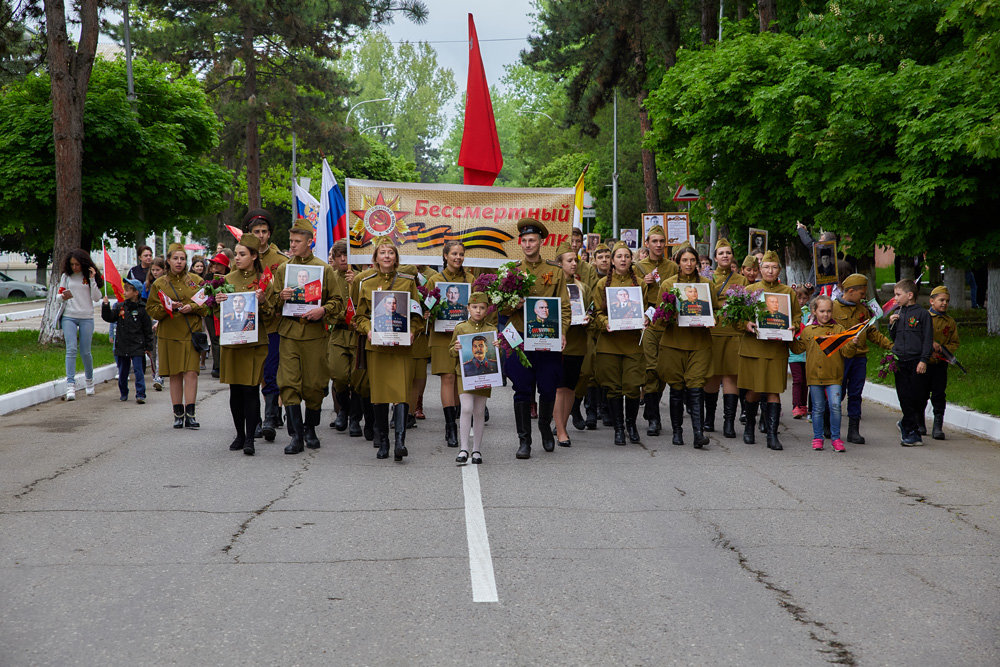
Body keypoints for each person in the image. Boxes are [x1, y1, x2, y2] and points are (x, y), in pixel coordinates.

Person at [264, 219, 345, 454]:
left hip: (314, 334)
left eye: (297, 241)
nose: (293, 245)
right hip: (288, 333)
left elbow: (337, 302)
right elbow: (271, 304)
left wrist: (323, 310)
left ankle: (310, 427)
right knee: (288, 384)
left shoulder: (324, 269)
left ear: (310, 242)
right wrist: (281, 296)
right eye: (291, 241)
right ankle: (296, 436)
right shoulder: (283, 270)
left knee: (314, 385)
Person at [501, 218, 571, 459]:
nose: (528, 244)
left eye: (532, 240)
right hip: (519, 338)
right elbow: (499, 307)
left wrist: (563, 332)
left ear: (542, 242)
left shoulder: (555, 271)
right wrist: (513, 304)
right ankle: (524, 441)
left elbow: (564, 306)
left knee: (548, 387)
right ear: (520, 243)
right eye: (524, 240)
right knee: (521, 388)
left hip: (547, 338)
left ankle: (544, 427)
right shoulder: (511, 271)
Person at [353, 236, 422, 461]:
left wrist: (413, 331)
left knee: (401, 393)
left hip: (401, 348)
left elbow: (417, 314)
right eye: (382, 253)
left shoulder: (407, 281)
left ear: (396, 257)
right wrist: (368, 330)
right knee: (380, 395)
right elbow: (359, 316)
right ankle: (383, 441)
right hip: (377, 347)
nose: (387, 257)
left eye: (390, 253)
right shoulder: (367, 282)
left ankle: (400, 442)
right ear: (376, 257)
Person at [737, 250, 801, 450]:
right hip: (754, 347)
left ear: (779, 270)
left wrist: (795, 326)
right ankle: (749, 427)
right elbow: (736, 317)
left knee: (774, 390)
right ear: (759, 270)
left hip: (776, 349)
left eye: (774, 267)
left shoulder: (788, 292)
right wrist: (745, 323)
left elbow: (797, 317)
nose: (770, 271)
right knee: (754, 390)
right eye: (766, 267)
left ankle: (772, 435)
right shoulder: (750, 290)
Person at [215, 234, 272, 456]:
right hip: (232, 343)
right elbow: (215, 311)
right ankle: (239, 434)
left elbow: (272, 313)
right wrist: (217, 301)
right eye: (236, 254)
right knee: (235, 390)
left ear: (254, 256)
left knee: (250, 389)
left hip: (254, 343)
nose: (237, 258)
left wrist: (264, 301)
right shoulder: (227, 280)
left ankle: (250, 438)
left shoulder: (265, 279)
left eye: (242, 254)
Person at [658, 245, 720, 448]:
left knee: (696, 387)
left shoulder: (706, 285)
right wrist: (668, 315)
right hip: (674, 343)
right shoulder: (668, 284)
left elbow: (717, 310)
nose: (689, 264)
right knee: (676, 388)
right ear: (678, 262)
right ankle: (677, 431)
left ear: (698, 263)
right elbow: (659, 316)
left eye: (692, 260)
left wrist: (714, 318)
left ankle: (698, 433)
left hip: (699, 343)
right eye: (684, 260)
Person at [146, 243, 208, 428]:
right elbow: (152, 310)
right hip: (170, 333)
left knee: (191, 373)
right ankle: (177, 414)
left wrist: (193, 307)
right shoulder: (160, 283)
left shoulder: (197, 281)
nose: (179, 262)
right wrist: (168, 307)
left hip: (191, 333)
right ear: (169, 261)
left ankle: (191, 414)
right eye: (175, 258)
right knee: (175, 374)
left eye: (182, 259)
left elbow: (208, 305)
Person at [594, 241, 645, 446]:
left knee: (632, 386)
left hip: (632, 343)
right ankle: (619, 428)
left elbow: (650, 308)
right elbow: (596, 312)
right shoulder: (601, 285)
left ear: (631, 259)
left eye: (626, 256)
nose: (623, 259)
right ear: (612, 261)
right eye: (619, 256)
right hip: (609, 343)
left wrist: (647, 318)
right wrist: (606, 322)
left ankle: (631, 425)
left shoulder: (640, 284)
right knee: (613, 388)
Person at [244, 209, 289, 442]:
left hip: (273, 324)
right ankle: (258, 418)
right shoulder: (243, 259)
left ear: (269, 234)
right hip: (248, 325)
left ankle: (270, 416)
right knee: (256, 372)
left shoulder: (281, 261)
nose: (260, 236)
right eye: (256, 232)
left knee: (271, 370)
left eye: (264, 232)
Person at [833, 274, 893, 444]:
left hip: (859, 358)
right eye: (861, 293)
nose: (863, 297)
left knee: (855, 393)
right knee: (838, 392)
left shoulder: (863, 309)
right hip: (841, 357)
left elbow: (871, 331)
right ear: (850, 291)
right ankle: (829, 424)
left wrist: (889, 345)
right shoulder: (833, 307)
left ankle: (853, 430)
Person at [426, 241, 476, 446]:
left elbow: (480, 306)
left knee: (460, 378)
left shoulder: (471, 279)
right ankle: (450, 426)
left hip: (464, 335)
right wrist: (428, 312)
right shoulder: (434, 280)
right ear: (445, 255)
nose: (458, 257)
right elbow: (426, 307)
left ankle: (460, 417)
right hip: (441, 336)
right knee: (447, 377)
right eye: (454, 253)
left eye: (461, 254)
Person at [797, 295, 862, 452]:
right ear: (814, 311)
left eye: (829, 311)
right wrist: (789, 338)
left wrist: (852, 344)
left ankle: (836, 438)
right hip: (814, 376)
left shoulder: (838, 329)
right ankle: (818, 437)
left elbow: (847, 353)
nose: (825, 314)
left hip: (834, 376)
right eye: (822, 311)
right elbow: (798, 349)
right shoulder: (808, 331)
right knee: (818, 408)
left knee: (835, 406)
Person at [633, 225, 679, 437]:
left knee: (663, 370)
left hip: (667, 323)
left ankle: (651, 407)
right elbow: (629, 294)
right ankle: (653, 416)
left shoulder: (673, 267)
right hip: (648, 322)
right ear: (647, 243)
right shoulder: (638, 267)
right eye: (655, 241)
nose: (659, 245)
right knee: (651, 368)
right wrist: (644, 282)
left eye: (662, 241)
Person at [703, 239, 749, 438]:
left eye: (728, 253)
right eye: (721, 253)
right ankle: (709, 419)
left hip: (733, 332)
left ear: (732, 257)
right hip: (712, 332)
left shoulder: (742, 280)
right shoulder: (706, 279)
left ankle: (729, 422)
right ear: (715, 257)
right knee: (712, 375)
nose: (724, 256)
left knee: (731, 375)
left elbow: (746, 306)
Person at [450, 292, 498, 464]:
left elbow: (497, 355)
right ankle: (464, 448)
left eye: (482, 308)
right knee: (466, 408)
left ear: (487, 310)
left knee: (479, 411)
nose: (478, 311)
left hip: (485, 375)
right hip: (464, 374)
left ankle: (476, 450)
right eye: (475, 307)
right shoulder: (461, 328)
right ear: (468, 308)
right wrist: (455, 348)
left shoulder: (491, 329)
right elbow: (450, 351)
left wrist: (497, 347)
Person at [551, 240, 590, 447]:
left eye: (575, 260)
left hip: (577, 340)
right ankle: (560, 430)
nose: (574, 263)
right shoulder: (553, 286)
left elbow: (590, 308)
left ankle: (561, 425)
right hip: (558, 341)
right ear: (559, 264)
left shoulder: (581, 287)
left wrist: (588, 318)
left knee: (570, 388)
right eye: (569, 260)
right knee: (559, 387)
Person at [888, 279, 933, 446]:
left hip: (916, 361)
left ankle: (907, 425)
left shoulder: (923, 314)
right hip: (900, 361)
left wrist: (924, 360)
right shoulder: (898, 313)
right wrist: (891, 324)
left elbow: (928, 339)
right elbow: (894, 338)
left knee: (917, 396)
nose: (895, 298)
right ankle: (911, 432)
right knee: (904, 395)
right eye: (895, 294)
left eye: (898, 295)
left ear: (910, 295)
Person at [57, 249, 105, 400]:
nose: (75, 267)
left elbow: (97, 298)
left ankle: (89, 382)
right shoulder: (66, 276)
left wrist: (92, 279)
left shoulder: (88, 276)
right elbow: (58, 296)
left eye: (77, 264)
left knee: (85, 351)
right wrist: (63, 296)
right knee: (71, 349)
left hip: (86, 317)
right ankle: (70, 385)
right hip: (69, 316)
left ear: (83, 263)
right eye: (72, 264)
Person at [100, 278, 153, 404]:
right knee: (123, 372)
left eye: (128, 290)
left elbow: (147, 329)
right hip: (122, 344)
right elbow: (109, 317)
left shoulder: (142, 309)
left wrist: (148, 346)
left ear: (136, 293)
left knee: (138, 371)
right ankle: (123, 392)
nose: (124, 292)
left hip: (137, 345)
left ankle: (140, 394)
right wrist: (106, 306)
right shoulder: (120, 307)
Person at [326, 241, 355, 432]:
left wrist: (357, 282)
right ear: (334, 259)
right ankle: (344, 409)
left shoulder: (362, 277)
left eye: (347, 255)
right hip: (337, 331)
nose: (343, 259)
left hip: (357, 333)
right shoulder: (330, 278)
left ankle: (355, 417)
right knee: (338, 374)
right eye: (339, 256)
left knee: (359, 378)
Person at [924, 285, 960, 440]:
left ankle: (938, 426)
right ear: (932, 301)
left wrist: (942, 349)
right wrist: (928, 346)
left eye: (947, 301)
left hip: (940, 363)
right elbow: (917, 336)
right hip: (924, 362)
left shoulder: (950, 322)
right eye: (941, 300)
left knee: (939, 394)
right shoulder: (924, 317)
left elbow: (954, 343)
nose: (944, 303)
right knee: (921, 393)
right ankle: (919, 423)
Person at [205, 251, 232, 378]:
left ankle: (227, 366)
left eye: (218, 264)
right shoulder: (208, 277)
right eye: (213, 263)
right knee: (215, 339)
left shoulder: (231, 277)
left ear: (225, 266)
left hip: (227, 313)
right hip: (211, 313)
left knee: (226, 339)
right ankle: (217, 366)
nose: (215, 266)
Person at [788, 284, 813, 419]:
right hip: (794, 354)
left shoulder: (810, 313)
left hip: (807, 353)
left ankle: (804, 405)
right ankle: (796, 405)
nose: (801, 301)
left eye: (804, 298)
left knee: (806, 380)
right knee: (797, 380)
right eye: (798, 298)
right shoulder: (791, 313)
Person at [142, 257, 166, 390]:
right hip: (150, 318)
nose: (155, 273)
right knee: (152, 349)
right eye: (153, 270)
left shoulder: (166, 284)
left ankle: (160, 375)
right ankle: (155, 372)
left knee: (160, 348)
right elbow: (145, 304)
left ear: (164, 270)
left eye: (158, 270)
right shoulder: (148, 285)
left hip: (162, 317)